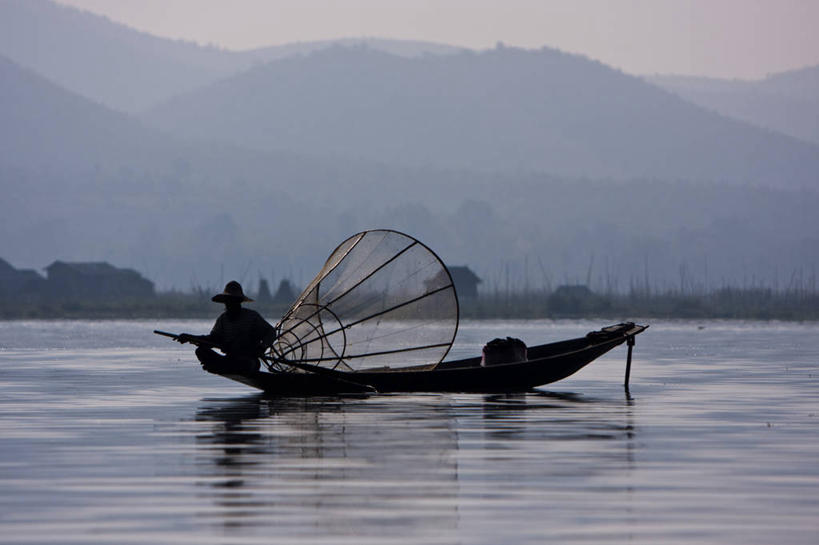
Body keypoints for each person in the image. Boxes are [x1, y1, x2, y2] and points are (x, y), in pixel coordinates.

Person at [177, 280, 277, 375]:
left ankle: (220, 366)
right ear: (225, 302)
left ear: (239, 302)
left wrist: (261, 348)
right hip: (229, 359)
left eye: (234, 301)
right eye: (229, 301)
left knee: (244, 364)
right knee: (201, 351)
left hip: (248, 361)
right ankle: (222, 366)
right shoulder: (223, 320)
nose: (231, 304)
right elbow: (212, 339)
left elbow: (271, 332)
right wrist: (190, 337)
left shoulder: (252, 317)